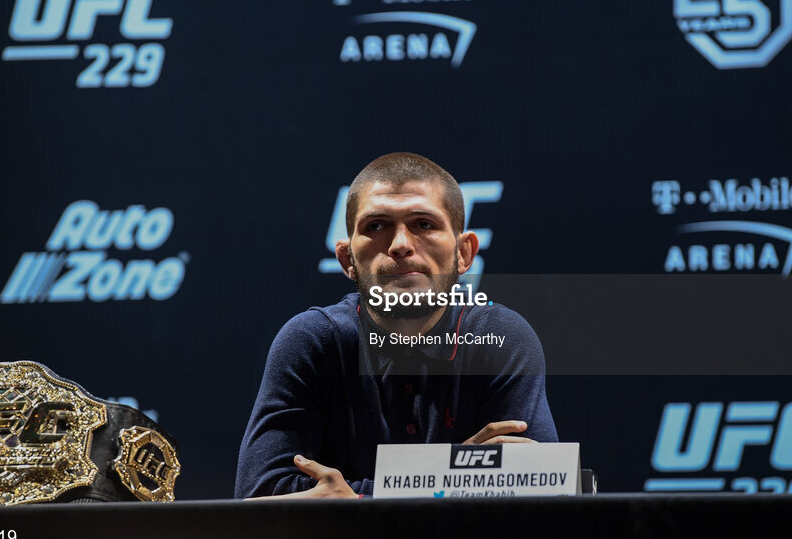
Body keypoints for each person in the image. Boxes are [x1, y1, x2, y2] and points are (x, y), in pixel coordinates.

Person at [235, 152, 557, 499]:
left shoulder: (501, 339)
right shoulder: (312, 341)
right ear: (347, 259)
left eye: (423, 224)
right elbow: (260, 496)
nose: (401, 245)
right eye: (376, 226)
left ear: (464, 253)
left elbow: (536, 493)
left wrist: (360, 503)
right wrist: (456, 479)